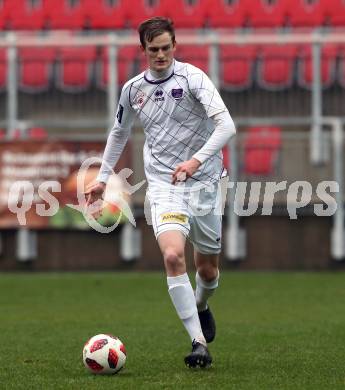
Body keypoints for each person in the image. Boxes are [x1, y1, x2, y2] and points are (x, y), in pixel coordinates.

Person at [85, 16, 236, 368]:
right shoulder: (133, 89)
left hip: (206, 184)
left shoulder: (193, 77)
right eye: (153, 49)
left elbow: (226, 124)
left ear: (174, 46)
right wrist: (103, 177)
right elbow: (119, 132)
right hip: (165, 186)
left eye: (166, 48)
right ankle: (198, 342)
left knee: (209, 270)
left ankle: (201, 304)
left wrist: (196, 162)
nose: (161, 55)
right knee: (171, 257)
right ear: (143, 51)